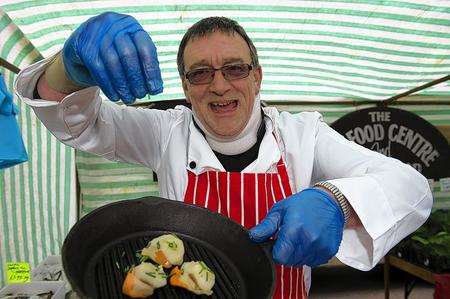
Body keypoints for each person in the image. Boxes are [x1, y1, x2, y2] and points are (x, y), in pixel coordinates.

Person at [15, 12, 432, 298]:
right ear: (185, 85)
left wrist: (337, 202)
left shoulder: (303, 134)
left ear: (257, 75)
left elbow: (412, 188)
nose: (219, 86)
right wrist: (66, 71)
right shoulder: (165, 131)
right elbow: (79, 122)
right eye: (200, 73)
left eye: (234, 68)